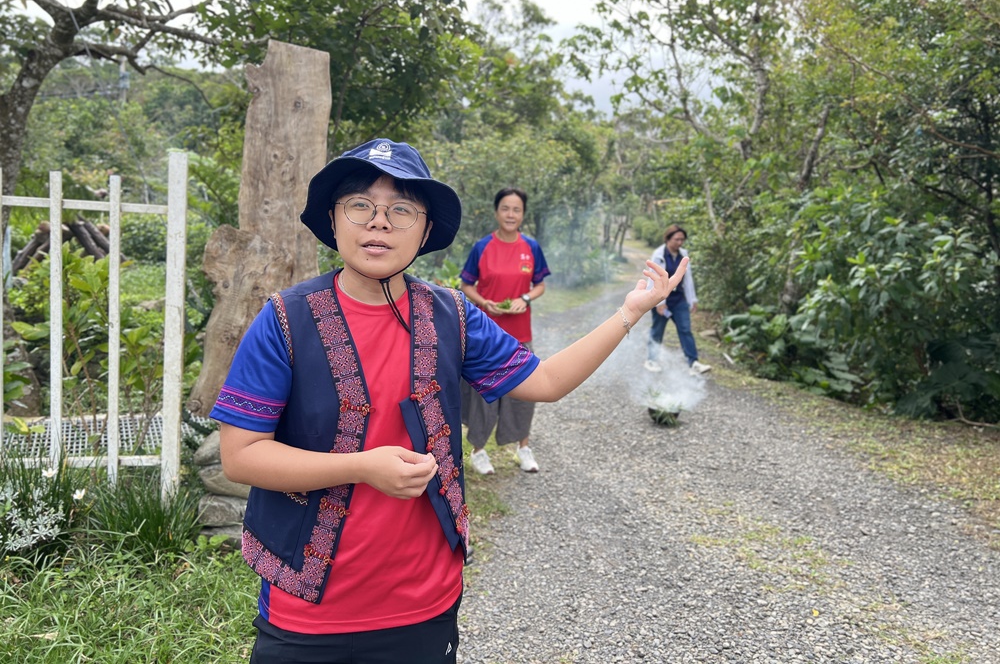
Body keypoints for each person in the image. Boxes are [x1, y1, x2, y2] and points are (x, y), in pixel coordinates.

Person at [210, 138, 688, 664]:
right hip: (309, 609)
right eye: (360, 206)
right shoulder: (285, 320)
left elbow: (545, 381)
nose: (379, 223)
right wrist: (363, 467)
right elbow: (241, 456)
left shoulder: (450, 315)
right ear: (334, 217)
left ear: (426, 229)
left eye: (401, 210)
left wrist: (630, 311)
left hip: (424, 601)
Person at [458, 187, 549, 475]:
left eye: (517, 209)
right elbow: (466, 284)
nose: (511, 214)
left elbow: (540, 285)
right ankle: (478, 452)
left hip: (520, 333)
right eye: (506, 208)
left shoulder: (531, 247)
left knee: (526, 394)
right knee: (482, 394)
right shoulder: (482, 247)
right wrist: (484, 302)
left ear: (523, 215)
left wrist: (525, 299)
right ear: (497, 212)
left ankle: (523, 448)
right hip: (485, 334)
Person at [644, 224, 711, 375]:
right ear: (668, 239)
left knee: (685, 330)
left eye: (682, 240)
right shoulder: (658, 255)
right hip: (661, 299)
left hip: (679, 299)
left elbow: (687, 279)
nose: (679, 243)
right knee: (657, 330)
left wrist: (692, 299)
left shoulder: (683, 255)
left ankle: (693, 363)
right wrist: (659, 303)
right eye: (676, 239)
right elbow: (653, 279)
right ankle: (652, 360)